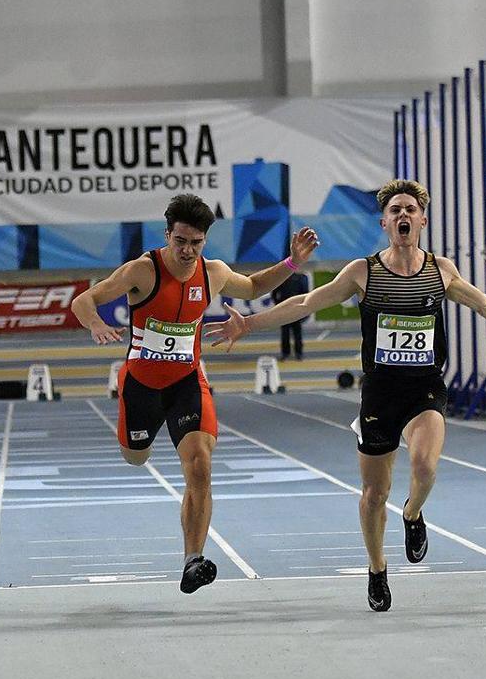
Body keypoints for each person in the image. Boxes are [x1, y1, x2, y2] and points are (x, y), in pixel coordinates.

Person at [204, 179, 486, 611]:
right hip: (380, 393)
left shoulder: (440, 271)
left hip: (424, 387)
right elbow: (305, 303)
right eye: (395, 211)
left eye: (410, 209)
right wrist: (249, 325)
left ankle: (412, 515)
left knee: (424, 467)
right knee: (374, 493)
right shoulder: (362, 272)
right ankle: (377, 568)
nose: (403, 216)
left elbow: (482, 303)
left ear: (423, 220)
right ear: (384, 222)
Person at [71, 194, 319, 593]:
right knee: (136, 458)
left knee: (200, 466)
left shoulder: (214, 273)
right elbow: (85, 299)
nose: (187, 251)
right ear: (167, 234)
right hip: (141, 386)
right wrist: (96, 324)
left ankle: (192, 561)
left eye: (196, 243)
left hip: (187, 382)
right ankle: (139, 439)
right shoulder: (142, 270)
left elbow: (254, 285)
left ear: (205, 240)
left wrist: (292, 263)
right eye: (181, 241)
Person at [271, 270, 309, 360]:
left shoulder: (298, 278)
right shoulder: (282, 278)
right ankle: (289, 353)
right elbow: (274, 293)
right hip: (287, 310)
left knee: (295, 332)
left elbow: (305, 293)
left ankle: (297, 353)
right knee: (287, 332)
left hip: (295, 309)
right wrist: (279, 305)